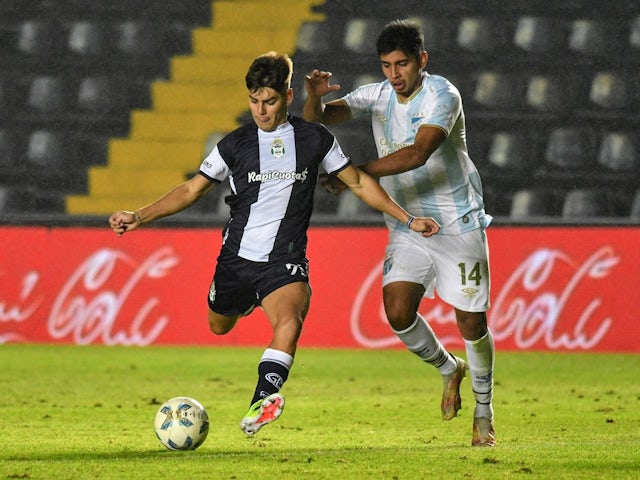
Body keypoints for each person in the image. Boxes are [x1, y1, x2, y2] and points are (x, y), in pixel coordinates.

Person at [109, 51, 440, 436]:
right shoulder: (235, 144)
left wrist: (408, 219)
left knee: (290, 319)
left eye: (268, 101)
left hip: (284, 261)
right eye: (254, 101)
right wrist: (140, 215)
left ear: (286, 95)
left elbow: (358, 182)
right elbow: (190, 189)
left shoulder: (315, 138)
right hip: (236, 259)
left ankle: (262, 401)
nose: (261, 110)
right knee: (219, 326)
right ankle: (247, 305)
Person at [303, 20, 496, 447]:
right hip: (408, 224)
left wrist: (355, 174)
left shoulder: (442, 96)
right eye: (387, 65)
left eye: (403, 64)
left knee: (471, 321)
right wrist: (313, 100)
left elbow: (418, 152)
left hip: (457, 222)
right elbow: (319, 121)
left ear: (421, 60)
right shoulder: (377, 95)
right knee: (397, 311)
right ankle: (450, 369)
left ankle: (484, 412)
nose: (395, 74)